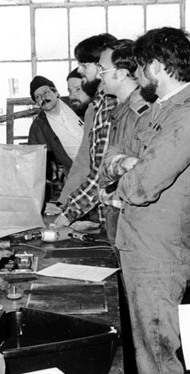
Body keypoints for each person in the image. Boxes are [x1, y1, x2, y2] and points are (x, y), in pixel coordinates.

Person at [112, 28, 190, 374]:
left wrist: (126, 169)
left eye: (141, 67)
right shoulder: (165, 109)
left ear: (157, 66)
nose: (138, 76)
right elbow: (123, 160)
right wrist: (126, 165)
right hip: (142, 248)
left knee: (157, 361)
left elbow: (141, 185)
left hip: (159, 258)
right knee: (148, 355)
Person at [53, 33, 117, 226]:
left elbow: (99, 173)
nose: (79, 71)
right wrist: (63, 203)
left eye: (84, 65)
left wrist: (67, 213)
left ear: (101, 66)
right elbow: (84, 161)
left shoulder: (110, 106)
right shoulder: (97, 105)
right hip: (102, 213)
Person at [97, 39, 151, 248]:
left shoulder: (139, 113)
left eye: (102, 69)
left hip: (132, 224)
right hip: (120, 218)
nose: (99, 75)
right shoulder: (122, 111)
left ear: (120, 73)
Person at [27, 75, 84, 180]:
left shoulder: (75, 102)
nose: (43, 98)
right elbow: (34, 157)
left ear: (56, 92)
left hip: (103, 156)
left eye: (46, 92)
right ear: (36, 103)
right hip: (78, 173)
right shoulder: (38, 126)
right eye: (38, 97)